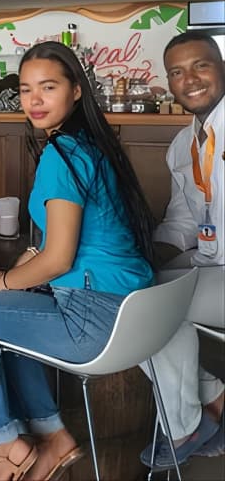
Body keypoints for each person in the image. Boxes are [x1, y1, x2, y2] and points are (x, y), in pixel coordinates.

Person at [0, 41, 155, 481]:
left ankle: (6, 444)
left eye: (48, 87)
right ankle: (50, 436)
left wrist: (4, 280)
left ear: (76, 90)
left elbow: (59, 259)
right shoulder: (94, 146)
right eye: (25, 90)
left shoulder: (62, 156)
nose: (34, 100)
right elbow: (79, 239)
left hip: (94, 320)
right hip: (134, 312)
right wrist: (20, 275)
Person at [139, 31, 224, 470]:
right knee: (129, 288)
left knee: (150, 306)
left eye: (200, 65)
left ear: (222, 68)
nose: (189, 79)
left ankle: (186, 424)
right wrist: (144, 255)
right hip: (210, 261)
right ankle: (210, 402)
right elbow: (184, 222)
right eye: (177, 72)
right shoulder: (181, 147)